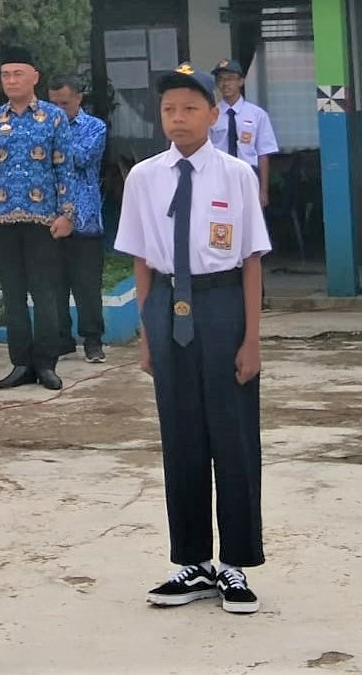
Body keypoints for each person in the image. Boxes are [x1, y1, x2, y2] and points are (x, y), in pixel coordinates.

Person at [114, 62, 269, 615]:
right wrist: (147, 333)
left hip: (222, 302)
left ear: (211, 114)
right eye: (167, 110)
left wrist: (251, 339)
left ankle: (236, 564)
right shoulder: (145, 177)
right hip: (166, 306)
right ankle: (195, 561)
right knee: (179, 435)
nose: (177, 119)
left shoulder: (236, 174)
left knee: (232, 433)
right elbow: (140, 258)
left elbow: (251, 261)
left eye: (188, 108)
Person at [0, 46, 74, 392]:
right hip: (2, 221)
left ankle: (46, 363)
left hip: (43, 220)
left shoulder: (53, 118)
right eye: (5, 75)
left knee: (45, 293)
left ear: (35, 77)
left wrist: (67, 213)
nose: (11, 80)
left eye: (18, 74)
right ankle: (20, 363)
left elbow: (64, 167)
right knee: (13, 295)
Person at [47, 74, 109, 363]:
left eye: (64, 103)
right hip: (51, 215)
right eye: (53, 104)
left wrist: (56, 135)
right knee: (54, 283)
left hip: (85, 218)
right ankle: (62, 338)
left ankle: (93, 340)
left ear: (78, 99)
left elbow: (81, 158)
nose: (58, 110)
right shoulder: (41, 127)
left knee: (87, 285)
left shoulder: (94, 127)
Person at [208, 60, 278, 209]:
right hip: (219, 174)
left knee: (249, 220)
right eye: (220, 79)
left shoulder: (257, 115)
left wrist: (263, 190)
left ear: (241, 81)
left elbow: (263, 153)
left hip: (248, 174)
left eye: (230, 78)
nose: (225, 83)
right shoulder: (211, 115)